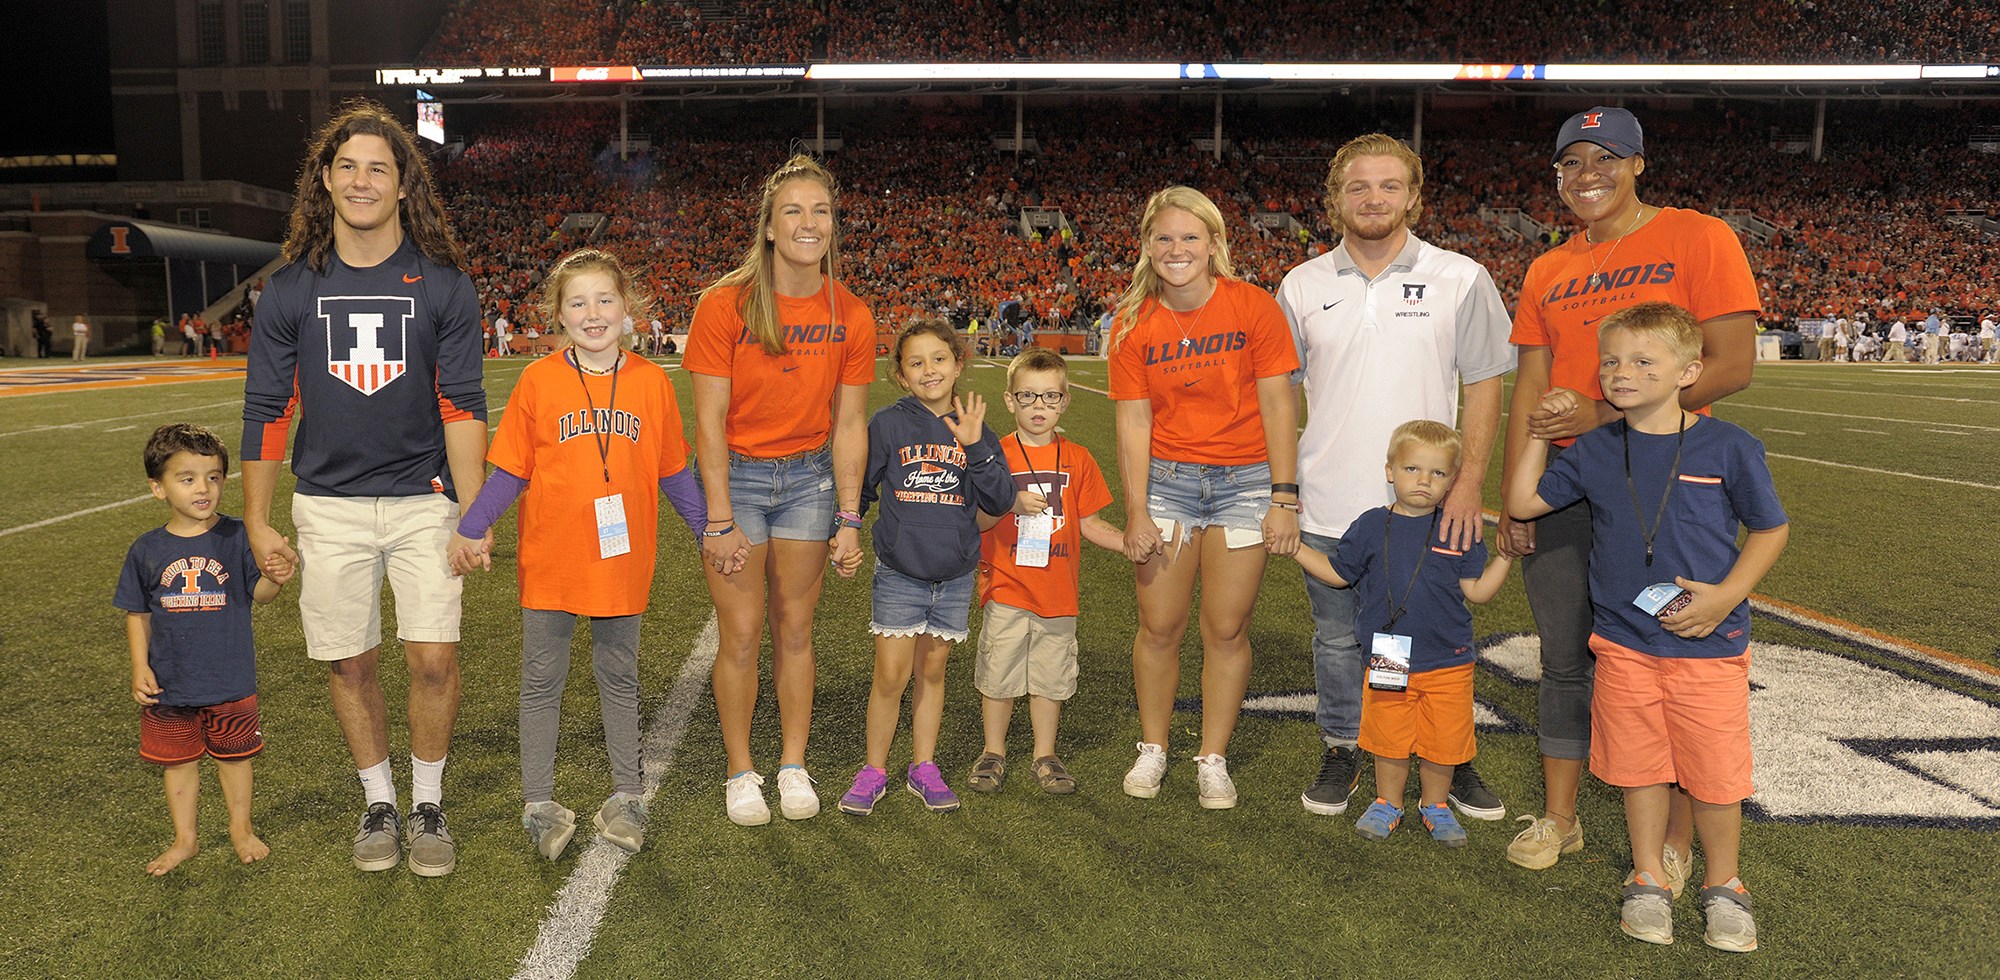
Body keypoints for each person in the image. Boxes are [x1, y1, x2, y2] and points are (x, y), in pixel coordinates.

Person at [1497, 107, 1759, 873]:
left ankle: (1676, 842)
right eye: (1571, 162)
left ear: (1639, 164)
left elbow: (1733, 363)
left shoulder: (1699, 236)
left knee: (1672, 653)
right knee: (1564, 657)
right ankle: (1560, 818)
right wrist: (1513, 498)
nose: (1588, 175)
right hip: (1566, 484)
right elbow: (1531, 390)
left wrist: (1607, 410)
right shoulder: (1548, 267)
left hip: (1666, 486)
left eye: (1606, 158)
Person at [240, 100, 488, 877]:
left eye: (379, 166)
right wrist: (255, 520)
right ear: (324, 178)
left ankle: (428, 802)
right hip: (329, 505)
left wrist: (475, 515)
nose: (362, 179)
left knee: (433, 661)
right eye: (347, 165)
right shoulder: (288, 291)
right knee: (349, 664)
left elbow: (463, 406)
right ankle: (378, 799)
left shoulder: (443, 285)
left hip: (423, 501)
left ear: (405, 184)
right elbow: (268, 409)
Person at [1507, 302, 1787, 953]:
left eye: (1641, 360)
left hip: (1706, 644)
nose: (1620, 372)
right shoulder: (1598, 449)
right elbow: (1523, 503)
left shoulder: (1729, 445)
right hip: (1626, 644)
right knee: (1640, 770)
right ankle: (1649, 877)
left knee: (1714, 776)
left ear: (1689, 369)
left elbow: (1771, 527)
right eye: (1610, 361)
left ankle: (1725, 887)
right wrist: (1539, 433)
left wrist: (1727, 596)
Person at [1276, 132, 1516, 821]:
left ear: (1413, 195)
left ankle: (1449, 755)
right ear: (1334, 201)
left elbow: (1486, 383)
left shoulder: (1460, 277)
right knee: (1341, 640)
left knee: (1435, 640)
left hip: (1429, 503)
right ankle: (1346, 746)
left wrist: (1468, 483)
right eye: (1357, 186)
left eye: (1388, 186)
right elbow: (1282, 395)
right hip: (1330, 500)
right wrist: (1284, 493)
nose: (1373, 198)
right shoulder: (1301, 283)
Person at [447, 250, 705, 860]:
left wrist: (706, 531)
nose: (593, 314)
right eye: (577, 303)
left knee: (619, 676)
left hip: (621, 560)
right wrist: (472, 524)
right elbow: (510, 468)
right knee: (541, 681)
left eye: (605, 300)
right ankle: (539, 803)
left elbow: (674, 471)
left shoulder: (649, 382)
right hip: (553, 559)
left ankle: (628, 797)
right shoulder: (539, 381)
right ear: (557, 315)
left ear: (628, 307)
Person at [684, 154, 873, 826]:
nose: (808, 222)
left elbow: (850, 424)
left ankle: (793, 764)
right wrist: (718, 517)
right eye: (792, 210)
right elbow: (706, 423)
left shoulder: (850, 311)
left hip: (809, 480)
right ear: (767, 225)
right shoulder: (724, 303)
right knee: (740, 633)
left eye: (820, 210)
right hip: (735, 475)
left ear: (834, 224)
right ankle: (741, 770)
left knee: (796, 629)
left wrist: (850, 518)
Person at [1108, 185, 1301, 809]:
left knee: (1225, 627)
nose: (1177, 248)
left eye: (1191, 236)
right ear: (1146, 247)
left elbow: (1278, 402)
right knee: (1159, 626)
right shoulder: (1132, 322)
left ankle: (1212, 758)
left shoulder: (1253, 306)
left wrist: (1285, 496)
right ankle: (1154, 747)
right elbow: (1134, 423)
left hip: (1245, 483)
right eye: (1163, 237)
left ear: (1215, 244)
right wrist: (1135, 509)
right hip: (1167, 483)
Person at [1292, 420, 1512, 846]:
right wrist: (1297, 548)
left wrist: (1503, 557)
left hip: (1448, 657)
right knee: (1389, 737)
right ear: (1390, 470)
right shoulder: (1372, 524)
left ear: (1453, 479)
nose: (1424, 481)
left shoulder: (1460, 526)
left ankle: (1436, 805)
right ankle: (1387, 802)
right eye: (1413, 469)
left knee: (1442, 741)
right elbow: (1339, 575)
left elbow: (1478, 591)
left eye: (1438, 473)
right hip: (1389, 656)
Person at [839, 319, 1018, 815]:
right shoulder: (889, 424)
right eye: (916, 363)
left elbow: (1000, 499)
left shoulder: (979, 428)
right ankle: (875, 768)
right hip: (900, 571)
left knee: (933, 671)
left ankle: (924, 766)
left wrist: (977, 445)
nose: (929, 370)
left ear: (959, 363)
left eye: (939, 359)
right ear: (900, 374)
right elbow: (864, 485)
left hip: (956, 574)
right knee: (891, 676)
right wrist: (847, 526)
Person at [115, 423, 295, 874]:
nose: (203, 489)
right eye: (187, 478)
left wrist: (276, 575)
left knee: (235, 759)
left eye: (213, 477)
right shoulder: (146, 550)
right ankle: (186, 839)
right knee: (177, 764)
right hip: (170, 683)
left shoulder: (238, 536)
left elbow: (261, 596)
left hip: (228, 676)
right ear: (158, 488)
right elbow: (137, 613)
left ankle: (240, 827)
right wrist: (140, 667)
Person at [967, 348, 1123, 795]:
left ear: (1065, 401)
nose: (1039, 406)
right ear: (1010, 401)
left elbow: (1091, 523)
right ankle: (993, 750)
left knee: (1051, 676)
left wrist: (1129, 543)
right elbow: (975, 520)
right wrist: (1008, 503)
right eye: (1029, 396)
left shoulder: (1078, 458)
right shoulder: (993, 456)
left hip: (1058, 590)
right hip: (1007, 584)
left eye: (1050, 397)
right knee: (1000, 671)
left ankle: (1044, 753)